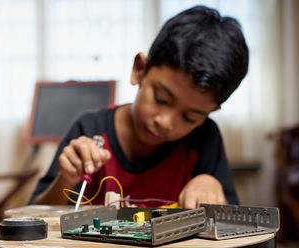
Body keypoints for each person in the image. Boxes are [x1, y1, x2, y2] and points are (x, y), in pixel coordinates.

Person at [29, 5, 249, 209]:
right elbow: (34, 219)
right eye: (161, 99)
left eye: (189, 117)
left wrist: (210, 186)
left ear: (210, 112)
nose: (165, 122)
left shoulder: (204, 139)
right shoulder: (89, 129)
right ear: (139, 70)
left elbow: (233, 234)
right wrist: (65, 180)